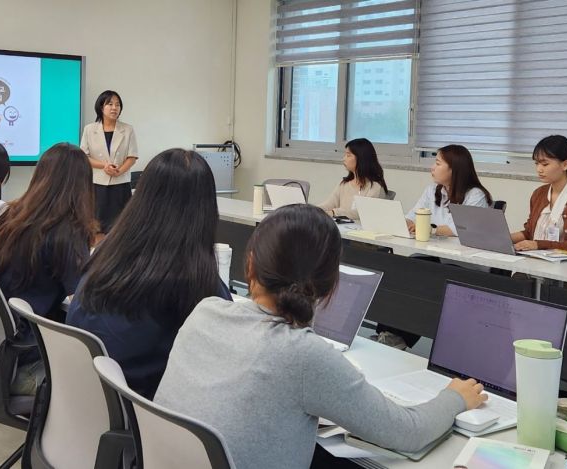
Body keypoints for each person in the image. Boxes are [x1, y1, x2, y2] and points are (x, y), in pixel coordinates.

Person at [154, 204, 486, 469]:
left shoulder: (206, 311)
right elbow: (408, 432)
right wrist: (456, 396)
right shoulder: (301, 353)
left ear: (250, 265)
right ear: (330, 284)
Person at [67, 148, 232, 399]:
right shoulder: (189, 279)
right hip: (143, 411)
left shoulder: (107, 251)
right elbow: (227, 346)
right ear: (204, 209)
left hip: (86, 398)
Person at [0, 142, 96, 395]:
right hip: (25, 360)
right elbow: (83, 301)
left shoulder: (10, 215)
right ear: (82, 186)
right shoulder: (66, 231)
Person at [511, 135, 567, 254]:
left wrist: (538, 245)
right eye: (536, 163)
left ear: (565, 165)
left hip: (565, 268)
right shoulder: (539, 193)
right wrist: (504, 238)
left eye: (545, 164)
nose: (539, 169)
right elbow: (529, 232)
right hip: (533, 261)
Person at [80, 90, 138, 232]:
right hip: (97, 183)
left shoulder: (127, 129)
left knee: (120, 227)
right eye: (110, 104)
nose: (114, 108)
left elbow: (132, 156)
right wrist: (104, 166)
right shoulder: (89, 129)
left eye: (117, 105)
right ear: (101, 107)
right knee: (96, 226)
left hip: (120, 183)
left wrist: (119, 171)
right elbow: (84, 156)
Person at [406, 144, 492, 237]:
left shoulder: (475, 195)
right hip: (433, 247)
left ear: (454, 169)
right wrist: (405, 223)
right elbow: (413, 216)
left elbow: (464, 228)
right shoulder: (432, 190)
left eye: (438, 164)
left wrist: (431, 229)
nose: (432, 167)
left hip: (461, 249)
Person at [319, 138, 388, 220]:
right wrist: (310, 209)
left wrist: (334, 212)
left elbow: (361, 212)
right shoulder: (344, 183)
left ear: (361, 158)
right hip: (343, 228)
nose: (344, 159)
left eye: (348, 155)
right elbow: (329, 204)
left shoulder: (375, 186)